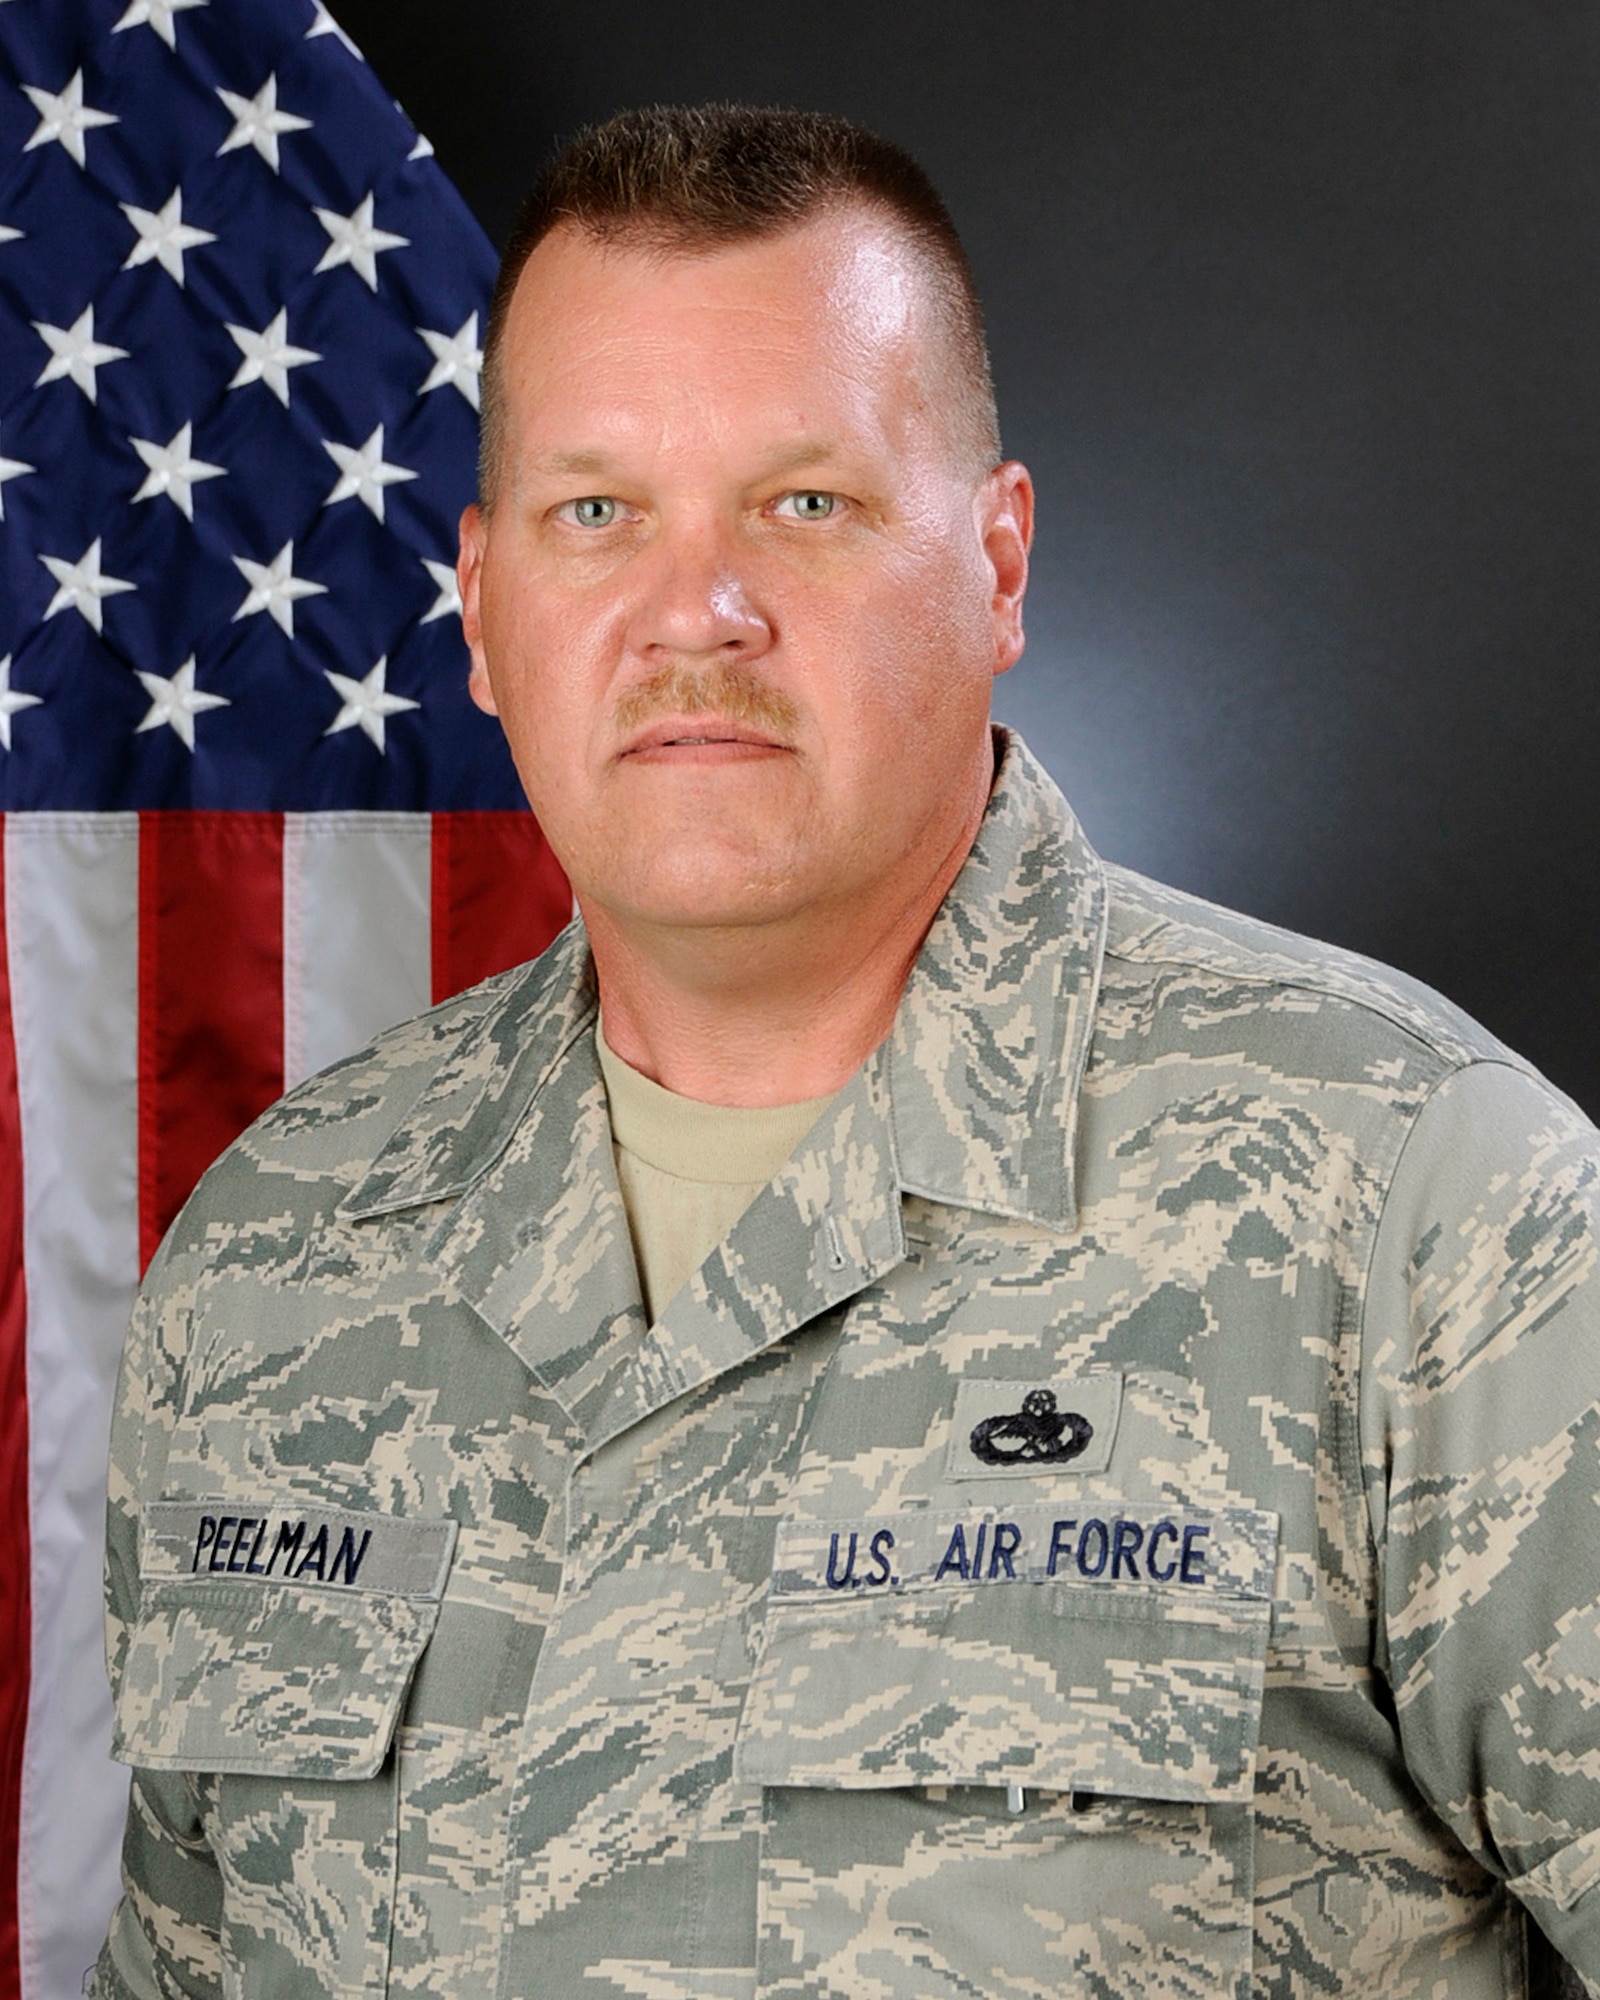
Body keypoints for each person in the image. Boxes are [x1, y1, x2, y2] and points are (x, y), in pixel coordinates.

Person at [93, 104, 1600, 2000]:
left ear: (1000, 561)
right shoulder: (276, 1258)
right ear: (479, 612)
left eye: (805, 503)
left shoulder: (1427, 1215)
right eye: (597, 513)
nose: (694, 613)